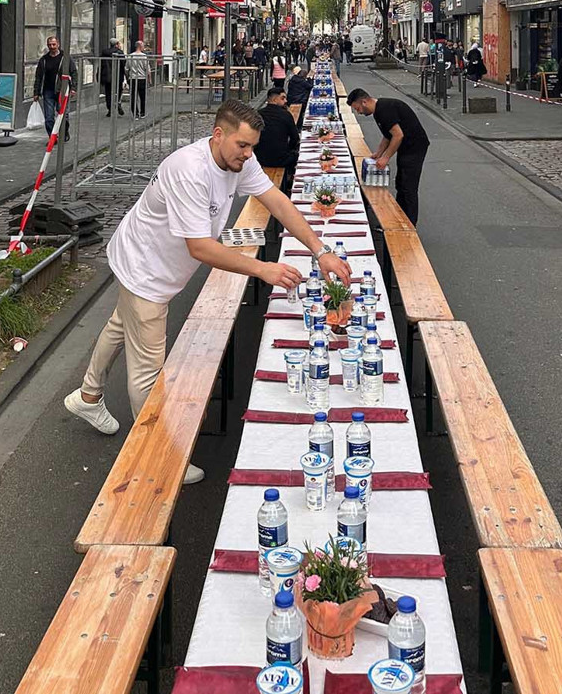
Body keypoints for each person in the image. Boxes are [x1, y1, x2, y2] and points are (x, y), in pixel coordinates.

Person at [64, 99, 351, 481]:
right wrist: (263, 269)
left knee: (121, 325)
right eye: (242, 145)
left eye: (252, 147)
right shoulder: (189, 171)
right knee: (149, 373)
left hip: (154, 263)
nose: (248, 154)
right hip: (145, 270)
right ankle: (158, 460)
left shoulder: (238, 160)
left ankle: (87, 396)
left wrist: (320, 250)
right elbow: (199, 247)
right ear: (218, 135)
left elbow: (277, 202)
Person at [347, 88, 430, 224]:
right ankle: (400, 219)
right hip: (405, 147)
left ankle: (410, 224)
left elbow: (398, 135)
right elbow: (387, 136)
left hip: (414, 147)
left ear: (364, 102)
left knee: (408, 187)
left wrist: (385, 157)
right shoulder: (378, 111)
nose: (359, 112)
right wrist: (378, 153)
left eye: (357, 108)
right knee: (400, 183)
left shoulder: (384, 109)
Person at [33, 36, 77, 138]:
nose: (52, 47)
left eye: (54, 44)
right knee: (49, 117)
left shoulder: (65, 58)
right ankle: (53, 138)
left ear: (58, 44)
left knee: (63, 115)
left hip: (62, 90)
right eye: (49, 45)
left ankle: (64, 133)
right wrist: (36, 92)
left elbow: (74, 72)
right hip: (48, 91)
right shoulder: (44, 60)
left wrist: (73, 88)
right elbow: (38, 77)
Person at [255, 85, 301, 177]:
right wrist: (289, 149)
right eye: (282, 98)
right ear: (275, 100)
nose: (286, 101)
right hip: (281, 159)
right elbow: (295, 138)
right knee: (298, 155)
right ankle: (289, 178)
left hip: (260, 158)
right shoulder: (286, 115)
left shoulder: (258, 114)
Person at [98, 38, 127, 117]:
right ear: (116, 44)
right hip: (118, 76)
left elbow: (101, 64)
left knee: (108, 93)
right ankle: (117, 103)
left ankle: (110, 109)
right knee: (118, 91)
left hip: (107, 76)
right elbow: (123, 63)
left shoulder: (104, 52)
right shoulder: (119, 52)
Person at [128, 40, 152, 117]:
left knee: (133, 97)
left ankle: (135, 114)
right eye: (143, 46)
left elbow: (127, 68)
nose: (144, 47)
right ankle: (142, 113)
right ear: (140, 46)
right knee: (142, 97)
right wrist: (149, 79)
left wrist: (128, 77)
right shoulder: (144, 56)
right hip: (142, 78)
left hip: (133, 78)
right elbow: (147, 69)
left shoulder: (130, 56)